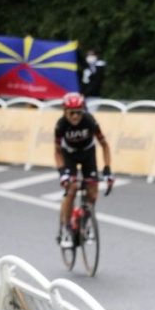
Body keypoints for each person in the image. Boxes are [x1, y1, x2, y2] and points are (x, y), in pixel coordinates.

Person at [53, 92, 113, 248]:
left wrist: (107, 170)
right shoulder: (61, 125)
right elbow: (57, 151)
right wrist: (62, 173)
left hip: (88, 154)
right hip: (69, 155)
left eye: (78, 112)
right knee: (71, 188)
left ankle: (85, 225)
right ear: (65, 111)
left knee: (93, 192)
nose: (75, 116)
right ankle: (66, 229)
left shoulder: (90, 121)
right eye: (71, 113)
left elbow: (104, 145)